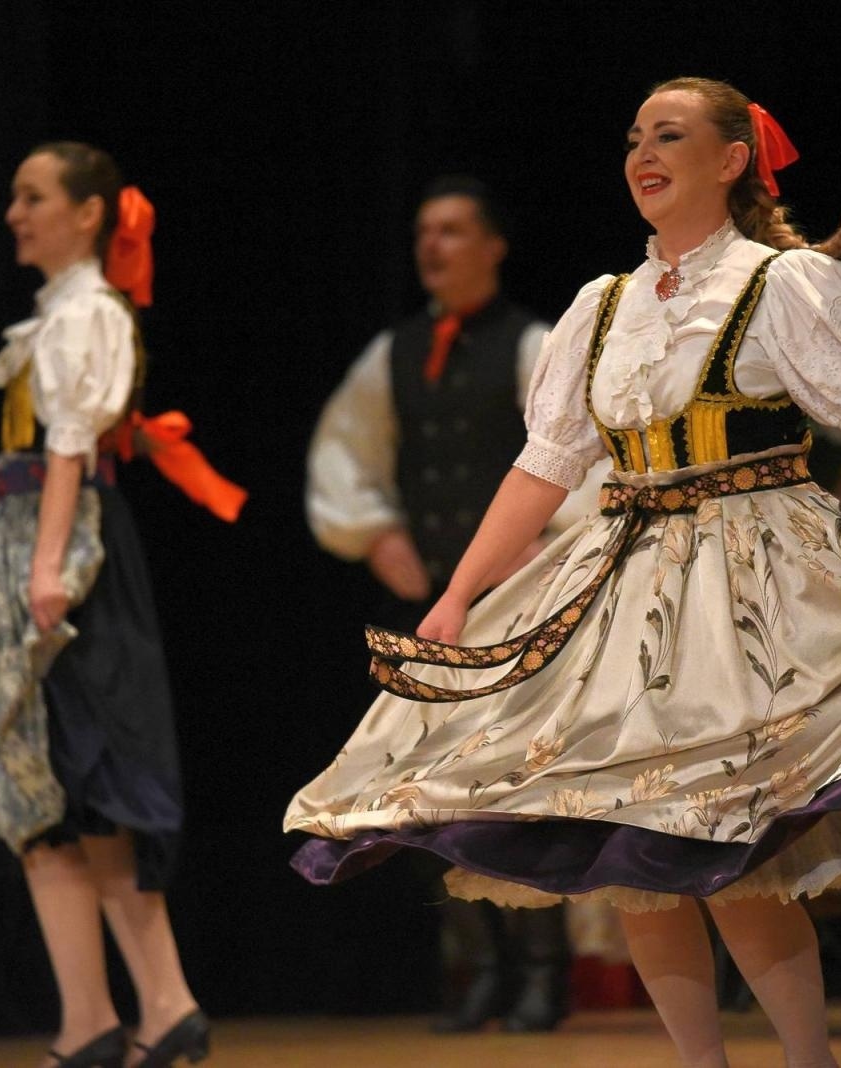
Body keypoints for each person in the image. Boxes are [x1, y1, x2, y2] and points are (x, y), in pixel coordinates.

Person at [285, 30, 841, 1068]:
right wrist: (461, 593)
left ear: (732, 158)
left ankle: (809, 1058)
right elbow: (542, 468)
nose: (642, 153)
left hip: (749, 575)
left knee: (722, 848)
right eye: (634, 137)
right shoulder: (599, 307)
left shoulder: (778, 284)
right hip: (624, 575)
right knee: (628, 849)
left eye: (671, 134)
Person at [0, 142, 209, 1068]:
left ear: (88, 213)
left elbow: (68, 453)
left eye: (34, 196)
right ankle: (100, 1016)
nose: (15, 212)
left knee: (81, 780)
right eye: (14, 195)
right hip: (30, 534)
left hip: (62, 542)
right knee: (44, 792)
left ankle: (152, 1005)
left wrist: (46, 568)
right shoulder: (59, 315)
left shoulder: (86, 314)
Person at [307, 175, 595, 1032]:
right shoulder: (392, 352)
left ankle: (543, 970)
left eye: (454, 230)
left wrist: (548, 549)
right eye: (425, 231)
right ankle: (473, 970)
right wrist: (374, 533)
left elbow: (580, 451)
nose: (434, 245)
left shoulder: (531, 341)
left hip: (519, 603)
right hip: (429, 606)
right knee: (428, 790)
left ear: (494, 245)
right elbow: (342, 453)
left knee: (524, 786)